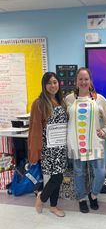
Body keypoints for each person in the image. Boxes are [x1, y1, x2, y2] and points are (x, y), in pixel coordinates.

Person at [65, 67, 106, 213]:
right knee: (79, 173)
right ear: (76, 81)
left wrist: (105, 131)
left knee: (100, 172)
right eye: (80, 79)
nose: (83, 82)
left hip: (95, 143)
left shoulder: (99, 99)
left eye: (86, 79)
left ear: (90, 81)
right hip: (76, 143)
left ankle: (93, 195)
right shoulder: (68, 99)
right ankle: (81, 198)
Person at [28, 72, 68, 217]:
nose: (53, 85)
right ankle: (42, 197)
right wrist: (35, 149)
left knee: (57, 176)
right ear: (44, 85)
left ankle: (53, 206)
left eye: (55, 82)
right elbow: (35, 128)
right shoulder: (39, 103)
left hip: (61, 146)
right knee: (56, 177)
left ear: (59, 84)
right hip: (48, 148)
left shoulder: (61, 101)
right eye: (50, 83)